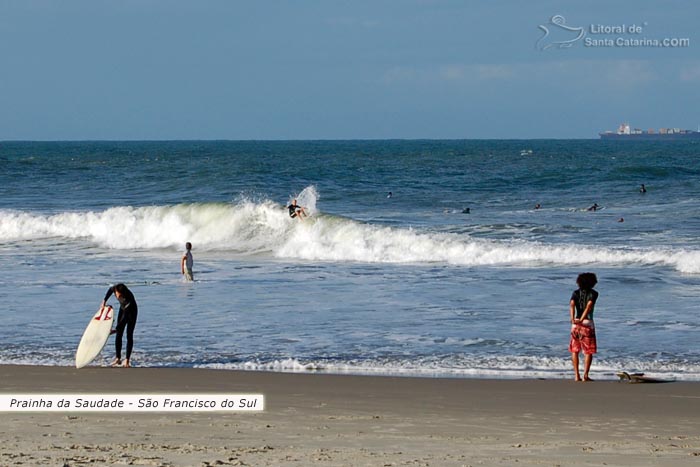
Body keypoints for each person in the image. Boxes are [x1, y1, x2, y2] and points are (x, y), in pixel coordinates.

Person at [568, 272, 599, 382]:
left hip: (575, 323)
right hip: (587, 323)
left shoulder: (575, 293)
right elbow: (589, 306)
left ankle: (576, 375)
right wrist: (582, 318)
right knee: (588, 350)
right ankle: (585, 375)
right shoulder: (594, 293)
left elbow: (572, 304)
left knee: (575, 350)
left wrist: (573, 318)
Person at [102, 283, 138, 368]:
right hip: (122, 309)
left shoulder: (128, 300)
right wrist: (104, 301)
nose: (118, 296)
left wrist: (115, 330)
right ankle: (118, 358)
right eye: (118, 294)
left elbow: (122, 322)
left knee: (129, 335)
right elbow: (110, 290)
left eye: (120, 295)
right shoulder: (116, 288)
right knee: (119, 335)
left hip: (131, 312)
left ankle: (127, 360)